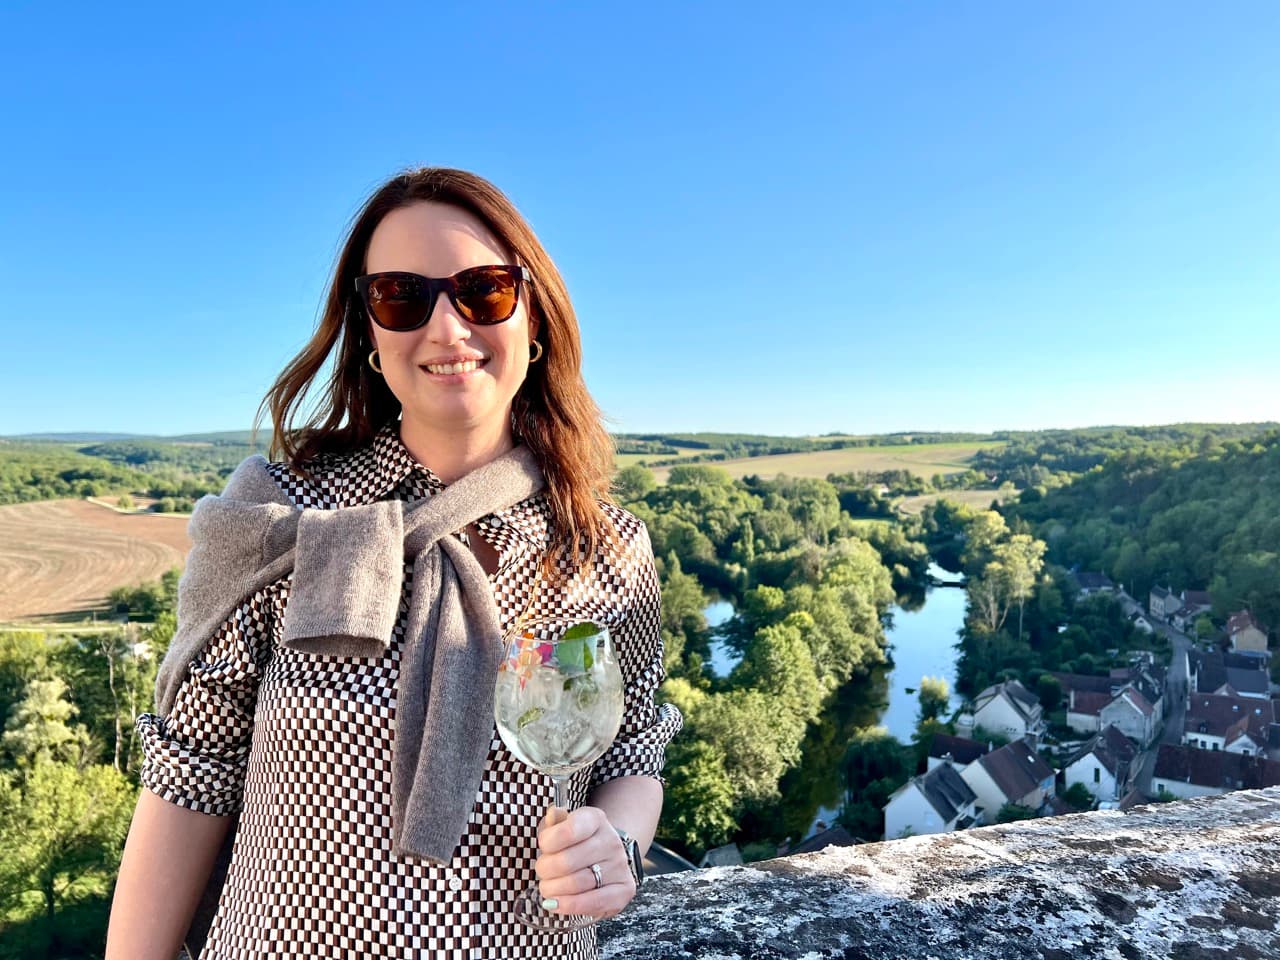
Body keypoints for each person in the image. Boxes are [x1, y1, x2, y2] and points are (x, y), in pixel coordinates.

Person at [105, 167, 682, 960]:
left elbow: (633, 748)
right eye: (402, 297)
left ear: (534, 319)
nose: (446, 327)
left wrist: (617, 843)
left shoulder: (605, 546)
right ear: (370, 337)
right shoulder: (283, 516)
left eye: (483, 291)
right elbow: (190, 773)